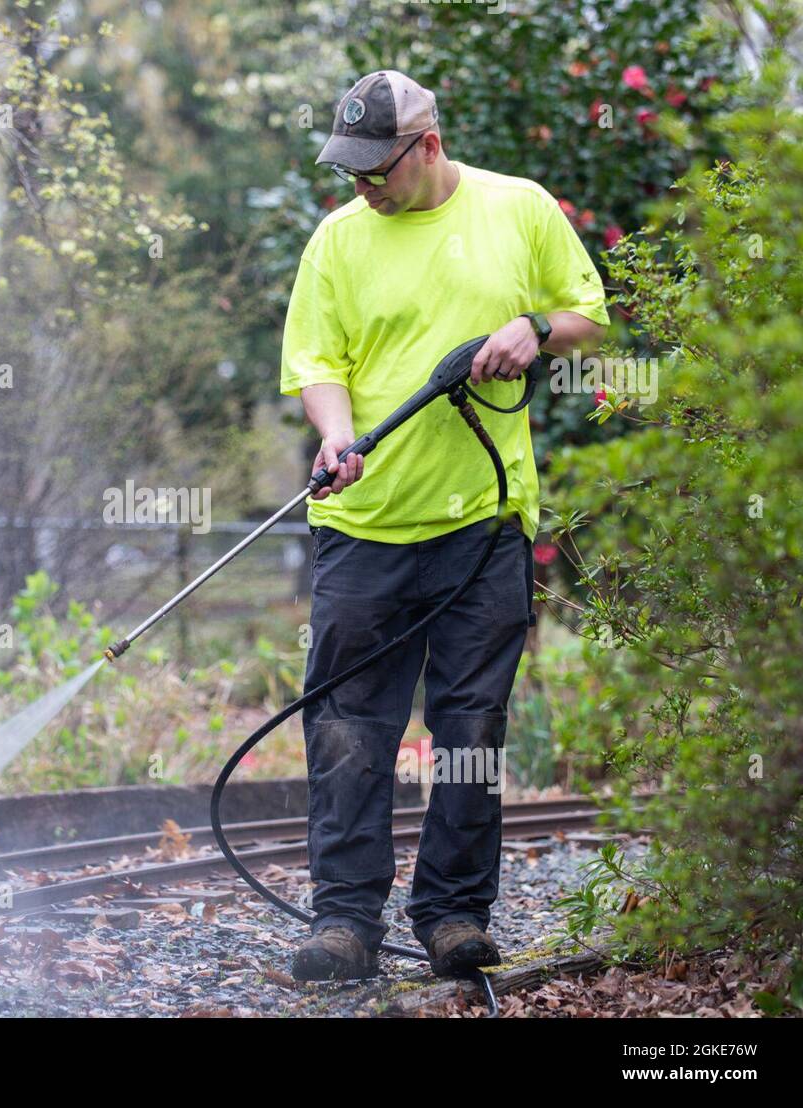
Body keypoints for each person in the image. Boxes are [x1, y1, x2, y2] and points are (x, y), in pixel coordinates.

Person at [281, 70, 608, 981]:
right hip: (365, 524)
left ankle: (454, 918)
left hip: (484, 527)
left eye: (375, 169)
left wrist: (535, 328)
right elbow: (316, 358)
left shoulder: (521, 208)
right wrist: (336, 435)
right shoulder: (338, 239)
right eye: (350, 171)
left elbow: (591, 315)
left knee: (470, 732)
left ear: (426, 146)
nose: (362, 187)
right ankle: (344, 921)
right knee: (349, 727)